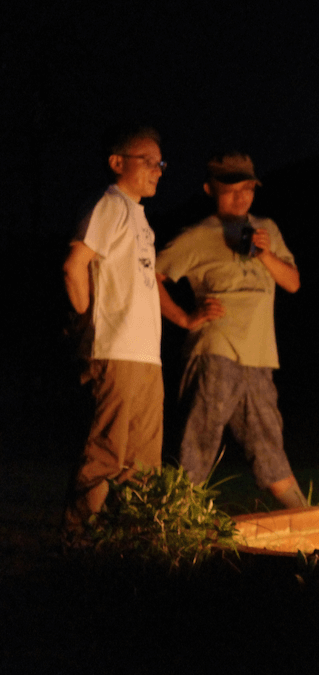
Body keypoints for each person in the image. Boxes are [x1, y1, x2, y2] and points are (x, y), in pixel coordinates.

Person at [155, 152, 307, 509]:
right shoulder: (197, 235)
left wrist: (265, 255)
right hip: (214, 352)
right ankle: (173, 523)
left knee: (269, 448)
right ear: (210, 190)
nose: (241, 197)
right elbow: (150, 276)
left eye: (248, 189)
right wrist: (184, 318)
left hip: (259, 358)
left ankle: (308, 517)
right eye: (231, 190)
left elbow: (293, 283)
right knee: (198, 445)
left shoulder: (265, 230)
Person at [61, 125, 166, 529]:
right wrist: (85, 315)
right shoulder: (108, 204)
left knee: (143, 462)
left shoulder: (139, 217)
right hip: (114, 349)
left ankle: (131, 542)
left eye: (161, 163)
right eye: (149, 161)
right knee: (105, 453)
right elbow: (74, 265)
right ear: (117, 163)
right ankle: (78, 538)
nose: (158, 170)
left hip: (145, 356)